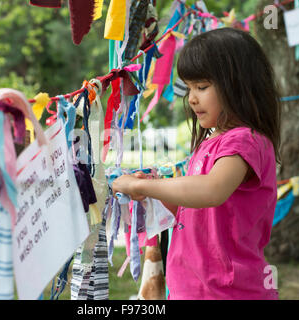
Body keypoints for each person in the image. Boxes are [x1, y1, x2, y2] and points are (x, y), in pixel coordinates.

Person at [111, 28, 282, 300]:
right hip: (191, 287)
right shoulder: (211, 142)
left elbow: (211, 190)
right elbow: (192, 209)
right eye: (189, 88)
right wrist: (151, 188)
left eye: (201, 87)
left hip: (229, 292)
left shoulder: (245, 142)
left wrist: (142, 185)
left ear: (238, 85)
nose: (191, 98)